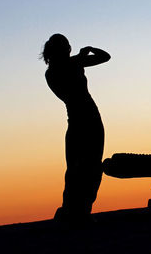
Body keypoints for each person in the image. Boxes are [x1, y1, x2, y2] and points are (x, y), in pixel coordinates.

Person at [41, 33, 111, 224]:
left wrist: (85, 54)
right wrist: (84, 53)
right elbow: (103, 57)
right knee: (82, 168)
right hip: (85, 119)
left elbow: (105, 57)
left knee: (82, 167)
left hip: (80, 120)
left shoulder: (64, 66)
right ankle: (75, 210)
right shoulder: (64, 67)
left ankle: (77, 209)